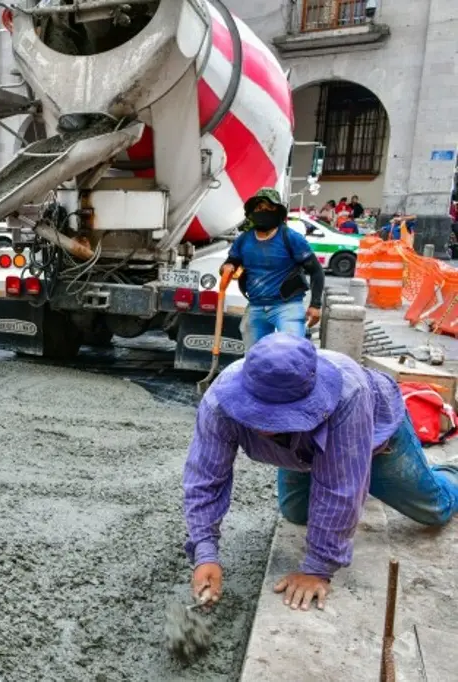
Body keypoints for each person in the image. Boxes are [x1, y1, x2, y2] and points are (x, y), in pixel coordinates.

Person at [184, 334, 458, 612]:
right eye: (260, 415)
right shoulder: (219, 403)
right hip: (301, 452)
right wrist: (205, 552)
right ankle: (364, 485)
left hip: (375, 438)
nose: (267, 424)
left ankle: (451, 472)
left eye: (280, 416)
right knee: (296, 513)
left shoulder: (350, 394)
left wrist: (317, 569)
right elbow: (205, 479)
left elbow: (340, 487)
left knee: (434, 509)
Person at [222, 188, 324, 347]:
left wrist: (315, 305)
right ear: (252, 212)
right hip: (256, 306)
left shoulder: (291, 238)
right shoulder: (244, 240)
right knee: (254, 358)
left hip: (287, 306)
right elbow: (232, 260)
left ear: (278, 212)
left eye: (269, 208)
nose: (263, 212)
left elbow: (316, 271)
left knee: (291, 352)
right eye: (259, 208)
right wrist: (227, 266)